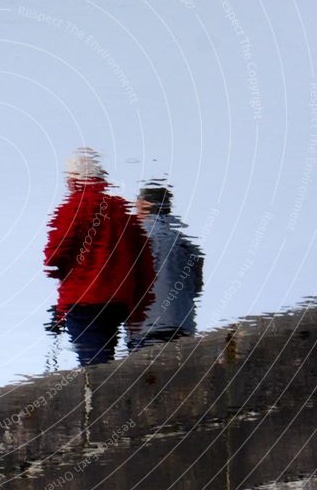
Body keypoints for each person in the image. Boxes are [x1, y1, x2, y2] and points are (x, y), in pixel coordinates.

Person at [43, 148, 155, 365]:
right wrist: (139, 309)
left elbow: (54, 257)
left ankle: (100, 397)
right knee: (106, 360)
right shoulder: (122, 210)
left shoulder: (71, 209)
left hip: (84, 301)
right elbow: (145, 263)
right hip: (119, 302)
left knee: (94, 368)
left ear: (75, 180)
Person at [126, 182, 204, 350]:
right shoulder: (187, 246)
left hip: (146, 329)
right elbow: (196, 289)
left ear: (146, 204)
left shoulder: (133, 240)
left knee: (147, 375)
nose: (134, 206)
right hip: (183, 327)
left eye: (137, 201)